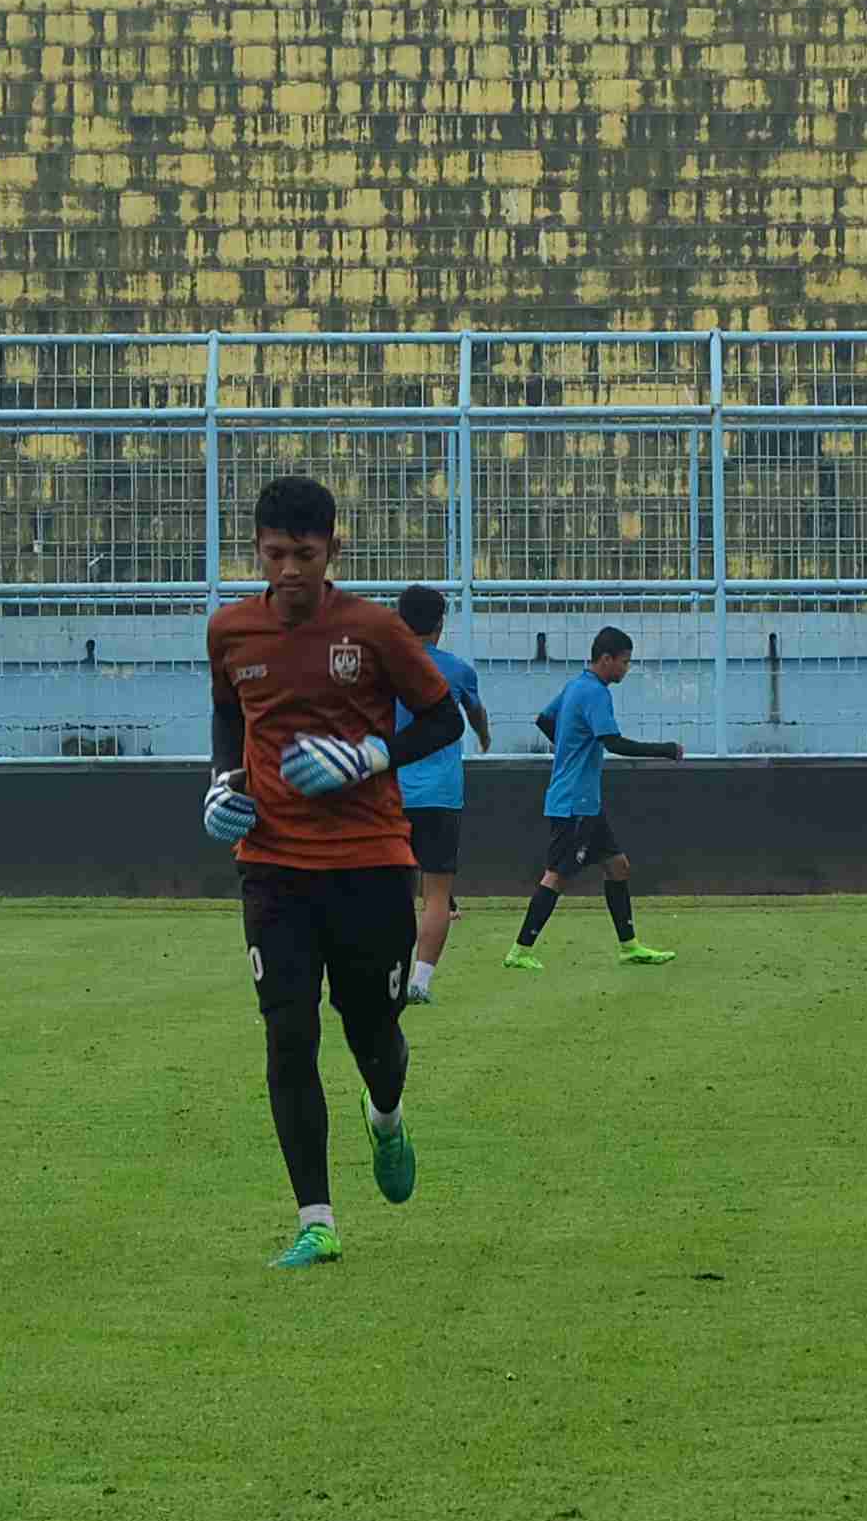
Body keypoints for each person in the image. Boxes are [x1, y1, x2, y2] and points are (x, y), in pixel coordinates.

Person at [202, 478, 465, 1269]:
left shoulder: (374, 629)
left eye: (305, 555)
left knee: (372, 1035)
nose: (289, 570)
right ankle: (315, 1220)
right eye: (275, 554)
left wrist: (371, 754)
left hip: (369, 863)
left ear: (333, 551)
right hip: (272, 867)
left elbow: (444, 718)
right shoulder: (229, 631)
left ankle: (385, 1117)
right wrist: (223, 783)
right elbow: (228, 714)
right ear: (256, 550)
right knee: (289, 1035)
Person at [501, 626, 683, 971]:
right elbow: (613, 742)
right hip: (575, 804)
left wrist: (569, 745)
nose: (627, 668)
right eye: (625, 662)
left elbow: (544, 720)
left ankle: (629, 947)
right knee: (556, 876)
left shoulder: (575, 686)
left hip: (586, 803)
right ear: (606, 659)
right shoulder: (596, 693)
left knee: (618, 867)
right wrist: (666, 749)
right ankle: (520, 951)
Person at [392, 584, 490, 1006]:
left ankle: (388, 976)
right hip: (440, 794)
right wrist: (484, 736)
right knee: (436, 894)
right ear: (440, 624)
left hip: (388, 793)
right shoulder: (458, 671)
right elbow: (475, 713)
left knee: (388, 890)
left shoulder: (382, 668)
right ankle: (420, 981)